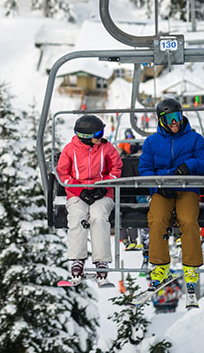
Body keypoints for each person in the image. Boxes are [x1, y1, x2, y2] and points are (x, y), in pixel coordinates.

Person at [138, 98, 204, 297]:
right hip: (162, 190)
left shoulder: (194, 139)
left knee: (188, 220)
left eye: (178, 117)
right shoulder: (152, 142)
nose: (175, 122)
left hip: (187, 188)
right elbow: (144, 170)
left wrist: (190, 165)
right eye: (170, 118)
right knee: (157, 219)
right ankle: (160, 265)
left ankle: (190, 266)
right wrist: (158, 185)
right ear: (161, 119)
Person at [56, 115, 123, 285]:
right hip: (77, 194)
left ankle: (101, 261)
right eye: (98, 133)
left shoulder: (106, 148)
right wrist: (79, 191)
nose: (102, 136)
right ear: (85, 137)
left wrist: (104, 185)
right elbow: (62, 174)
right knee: (78, 216)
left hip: (103, 193)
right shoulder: (70, 150)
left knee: (98, 217)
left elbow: (117, 167)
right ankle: (77, 260)